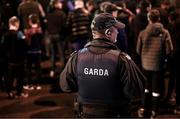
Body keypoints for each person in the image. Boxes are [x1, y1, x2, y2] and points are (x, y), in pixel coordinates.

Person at [60, 13, 145, 118]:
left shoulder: (77, 57)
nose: (118, 32)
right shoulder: (121, 59)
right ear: (108, 32)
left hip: (85, 115)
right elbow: (135, 92)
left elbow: (66, 86)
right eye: (115, 29)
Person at [136, 9, 173, 118]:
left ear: (149, 19)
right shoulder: (165, 32)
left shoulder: (143, 33)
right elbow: (169, 50)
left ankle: (143, 108)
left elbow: (138, 50)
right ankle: (154, 111)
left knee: (146, 87)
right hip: (158, 65)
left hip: (145, 64)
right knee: (156, 89)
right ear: (159, 19)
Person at [1, 16, 28, 98]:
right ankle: (18, 92)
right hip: (19, 59)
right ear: (17, 24)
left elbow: (2, 47)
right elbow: (24, 46)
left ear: (9, 24)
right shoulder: (19, 34)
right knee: (20, 77)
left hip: (9, 60)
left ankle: (9, 92)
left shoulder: (4, 35)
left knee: (9, 77)